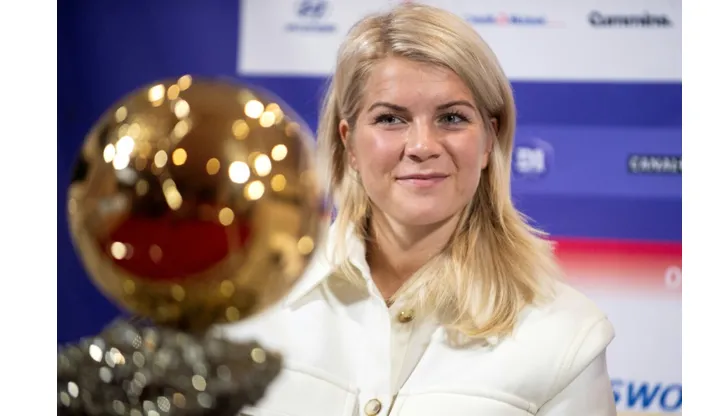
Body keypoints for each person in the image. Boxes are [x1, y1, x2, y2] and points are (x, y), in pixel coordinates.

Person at [224, 3, 617, 415]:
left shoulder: (568, 337)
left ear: (489, 140)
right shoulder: (254, 296)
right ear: (349, 142)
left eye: (452, 117)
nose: (422, 146)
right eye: (391, 119)